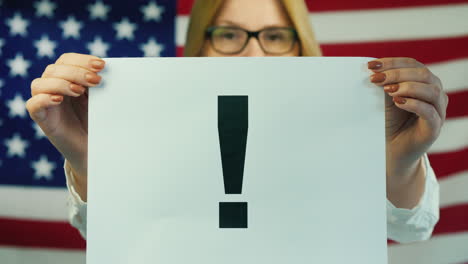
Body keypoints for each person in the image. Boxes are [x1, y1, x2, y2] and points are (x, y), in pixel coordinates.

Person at [26, 0, 447, 243]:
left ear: (301, 47)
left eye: (275, 36)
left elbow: (412, 231)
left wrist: (398, 162)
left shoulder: (349, 127)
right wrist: (88, 159)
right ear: (199, 48)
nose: (254, 56)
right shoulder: (159, 128)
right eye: (228, 35)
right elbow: (108, 234)